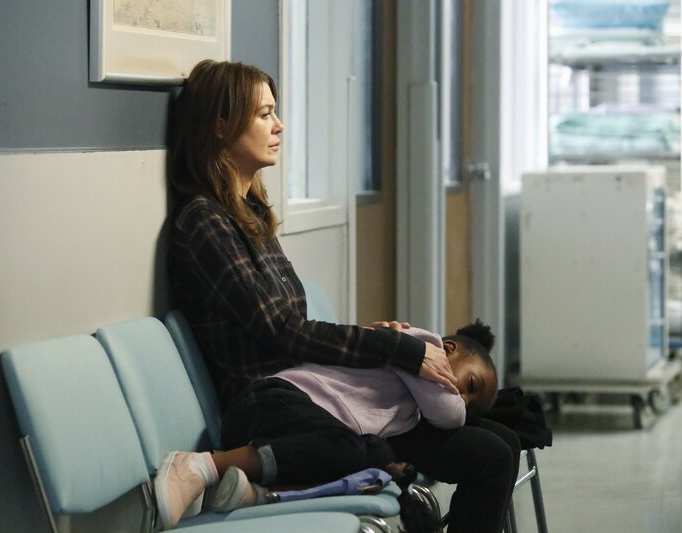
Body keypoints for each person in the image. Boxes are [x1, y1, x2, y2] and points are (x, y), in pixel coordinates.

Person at [166, 59, 519, 532]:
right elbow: (282, 331)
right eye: (264, 114)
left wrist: (383, 348)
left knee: (503, 436)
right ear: (220, 125)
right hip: (280, 405)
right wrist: (396, 349)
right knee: (491, 455)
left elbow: (290, 329)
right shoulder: (205, 221)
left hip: (316, 393)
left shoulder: (250, 214)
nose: (279, 125)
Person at [155, 322, 499, 530]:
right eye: (470, 386)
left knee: (376, 455)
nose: (462, 399)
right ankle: (203, 466)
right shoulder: (422, 348)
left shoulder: (413, 395)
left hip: (294, 432)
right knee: (353, 448)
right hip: (271, 401)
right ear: (448, 349)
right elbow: (449, 414)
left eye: (471, 403)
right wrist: (457, 405)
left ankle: (252, 492)